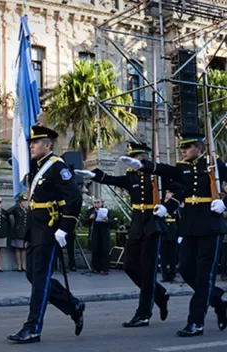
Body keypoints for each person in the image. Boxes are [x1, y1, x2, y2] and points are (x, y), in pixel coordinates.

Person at [119, 132, 227, 336]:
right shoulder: (182, 168)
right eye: (182, 148)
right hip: (190, 226)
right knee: (185, 270)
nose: (183, 151)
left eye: (187, 147)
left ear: (200, 148)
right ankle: (218, 301)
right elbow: (164, 170)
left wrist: (225, 203)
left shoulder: (215, 165)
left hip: (211, 225)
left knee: (204, 276)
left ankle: (196, 322)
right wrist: (142, 165)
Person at [76, 142, 177, 327]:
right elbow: (113, 180)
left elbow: (180, 189)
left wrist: (168, 207)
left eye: (135, 158)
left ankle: (144, 314)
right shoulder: (132, 177)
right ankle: (160, 294)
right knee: (130, 266)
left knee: (148, 271)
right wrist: (95, 175)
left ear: (145, 159)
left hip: (154, 223)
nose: (131, 162)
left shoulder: (159, 176)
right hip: (137, 223)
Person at [8, 125, 84, 344]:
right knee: (32, 275)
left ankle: (32, 328)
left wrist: (64, 228)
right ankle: (73, 305)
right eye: (31, 142)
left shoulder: (56, 167)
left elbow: (75, 199)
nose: (31, 145)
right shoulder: (38, 167)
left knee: (40, 279)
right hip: (35, 228)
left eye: (36, 142)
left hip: (50, 229)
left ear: (48, 145)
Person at [85, 199, 112, 274]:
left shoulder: (106, 211)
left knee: (105, 250)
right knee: (95, 250)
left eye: (98, 202)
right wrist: (90, 218)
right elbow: (85, 222)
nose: (97, 204)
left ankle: (105, 269)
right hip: (95, 232)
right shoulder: (90, 211)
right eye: (95, 202)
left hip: (104, 232)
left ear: (101, 203)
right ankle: (96, 268)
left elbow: (111, 222)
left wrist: (107, 220)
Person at [9, 194, 29, 272]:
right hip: (17, 231)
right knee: (17, 249)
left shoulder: (27, 210)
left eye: (25, 201)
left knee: (23, 249)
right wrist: (15, 206)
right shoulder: (16, 210)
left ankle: (23, 265)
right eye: (23, 201)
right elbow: (8, 212)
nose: (24, 203)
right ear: (20, 202)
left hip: (24, 232)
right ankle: (19, 266)